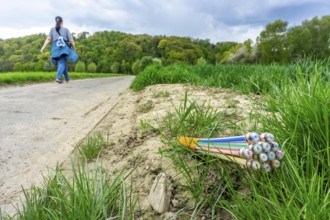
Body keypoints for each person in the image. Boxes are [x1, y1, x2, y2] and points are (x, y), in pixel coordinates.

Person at [40, 16, 78, 83]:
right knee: (62, 62)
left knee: (62, 62)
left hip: (55, 48)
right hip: (64, 48)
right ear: (62, 22)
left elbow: (48, 39)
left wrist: (43, 48)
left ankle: (67, 78)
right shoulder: (66, 30)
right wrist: (74, 49)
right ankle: (58, 77)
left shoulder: (52, 29)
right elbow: (71, 41)